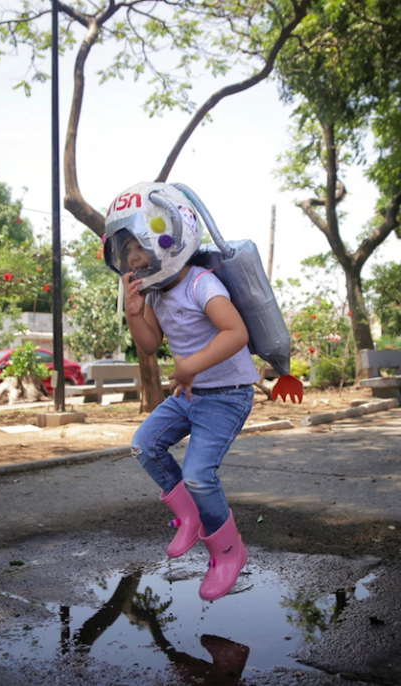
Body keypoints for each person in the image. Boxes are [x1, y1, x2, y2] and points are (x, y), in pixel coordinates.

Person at [104, 182, 260, 602]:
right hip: (191, 394)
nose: (134, 256)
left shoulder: (201, 283)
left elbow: (237, 332)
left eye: (140, 243)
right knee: (144, 445)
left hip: (226, 394)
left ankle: (228, 551)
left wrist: (190, 365)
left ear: (171, 234)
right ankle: (190, 516)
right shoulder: (155, 292)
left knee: (198, 475)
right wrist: (136, 313)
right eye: (126, 248)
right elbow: (151, 345)